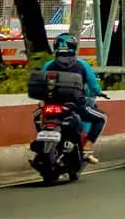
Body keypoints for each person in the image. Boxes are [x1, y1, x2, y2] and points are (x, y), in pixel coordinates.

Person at [43, 33, 106, 163]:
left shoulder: (48, 65)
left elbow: (41, 84)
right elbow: (94, 86)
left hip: (51, 104)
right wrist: (100, 92)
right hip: (76, 105)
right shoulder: (82, 65)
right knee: (101, 117)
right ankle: (87, 149)